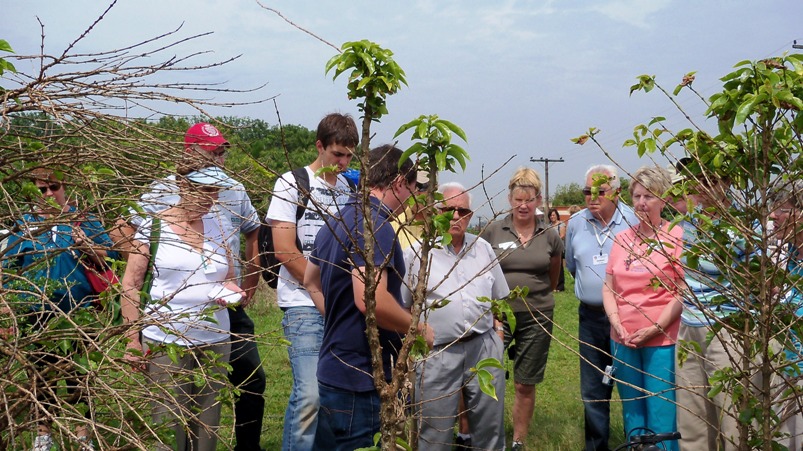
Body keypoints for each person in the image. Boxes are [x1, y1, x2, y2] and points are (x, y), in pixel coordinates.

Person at [121, 122, 265, 450]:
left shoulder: (219, 219)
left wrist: (237, 289)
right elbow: (131, 282)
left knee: (206, 432)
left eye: (215, 191)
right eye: (205, 190)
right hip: (167, 341)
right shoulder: (154, 219)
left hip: (215, 339)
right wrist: (132, 339)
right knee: (169, 430)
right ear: (183, 185)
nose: (213, 198)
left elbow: (229, 271)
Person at [303, 144, 433, 450]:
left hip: (332, 369)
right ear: (400, 182)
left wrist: (337, 318)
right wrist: (418, 329)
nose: (411, 200)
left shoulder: (335, 222)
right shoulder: (377, 226)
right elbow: (369, 300)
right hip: (361, 379)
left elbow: (311, 282)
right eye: (413, 189)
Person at [4, 168, 119, 450]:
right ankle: (43, 435)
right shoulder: (26, 224)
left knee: (79, 377)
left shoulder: (82, 220)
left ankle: (84, 436)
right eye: (41, 190)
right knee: (41, 378)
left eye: (53, 187)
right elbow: (9, 269)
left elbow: (114, 255)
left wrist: (88, 245)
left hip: (77, 313)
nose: (48, 194)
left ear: (63, 186)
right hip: (36, 313)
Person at [266, 112, 358, 451]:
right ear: (319, 146)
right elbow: (284, 251)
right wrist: (320, 291)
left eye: (349, 155)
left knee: (334, 397)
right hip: (304, 303)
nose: (343, 162)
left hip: (343, 307)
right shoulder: (292, 183)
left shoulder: (350, 189)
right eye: (337, 154)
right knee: (309, 395)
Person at [402, 182, 509, 451]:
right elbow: (403, 306)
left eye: (462, 211)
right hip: (438, 352)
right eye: (449, 210)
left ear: (470, 216)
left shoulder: (482, 248)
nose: (456, 217)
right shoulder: (417, 254)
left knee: (489, 428)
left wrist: (497, 333)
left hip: (483, 348)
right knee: (434, 432)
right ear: (437, 212)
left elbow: (500, 297)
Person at [480, 167, 563, 450]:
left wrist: (536, 297)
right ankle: (481, 436)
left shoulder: (550, 235)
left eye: (529, 199)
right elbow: (481, 271)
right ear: (510, 199)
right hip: (498, 316)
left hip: (537, 315)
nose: (523, 205)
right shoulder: (493, 231)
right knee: (487, 376)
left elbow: (553, 276)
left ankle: (518, 441)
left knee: (524, 383)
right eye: (518, 199)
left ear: (538, 200)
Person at [602, 166, 683, 451]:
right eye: (636, 195)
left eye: (649, 195)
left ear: (662, 199)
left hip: (662, 340)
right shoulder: (622, 239)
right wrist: (617, 323)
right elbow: (609, 287)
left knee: (661, 413)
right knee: (633, 411)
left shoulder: (676, 237)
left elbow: (682, 292)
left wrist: (656, 327)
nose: (641, 202)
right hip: (623, 339)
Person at [564, 164, 637, 451]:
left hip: (629, 316)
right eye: (587, 191)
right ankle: (596, 446)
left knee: (631, 384)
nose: (592, 197)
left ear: (617, 193)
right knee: (594, 388)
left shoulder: (632, 220)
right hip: (591, 318)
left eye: (600, 191)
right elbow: (572, 266)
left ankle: (638, 442)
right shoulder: (575, 224)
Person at [548, 208, 567, 292]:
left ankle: (560, 287)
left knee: (559, 268)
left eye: (553, 215)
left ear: (557, 216)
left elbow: (562, 235)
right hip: (550, 249)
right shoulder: (548, 226)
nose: (552, 217)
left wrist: (554, 242)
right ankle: (552, 286)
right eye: (551, 215)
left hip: (558, 249)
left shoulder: (561, 224)